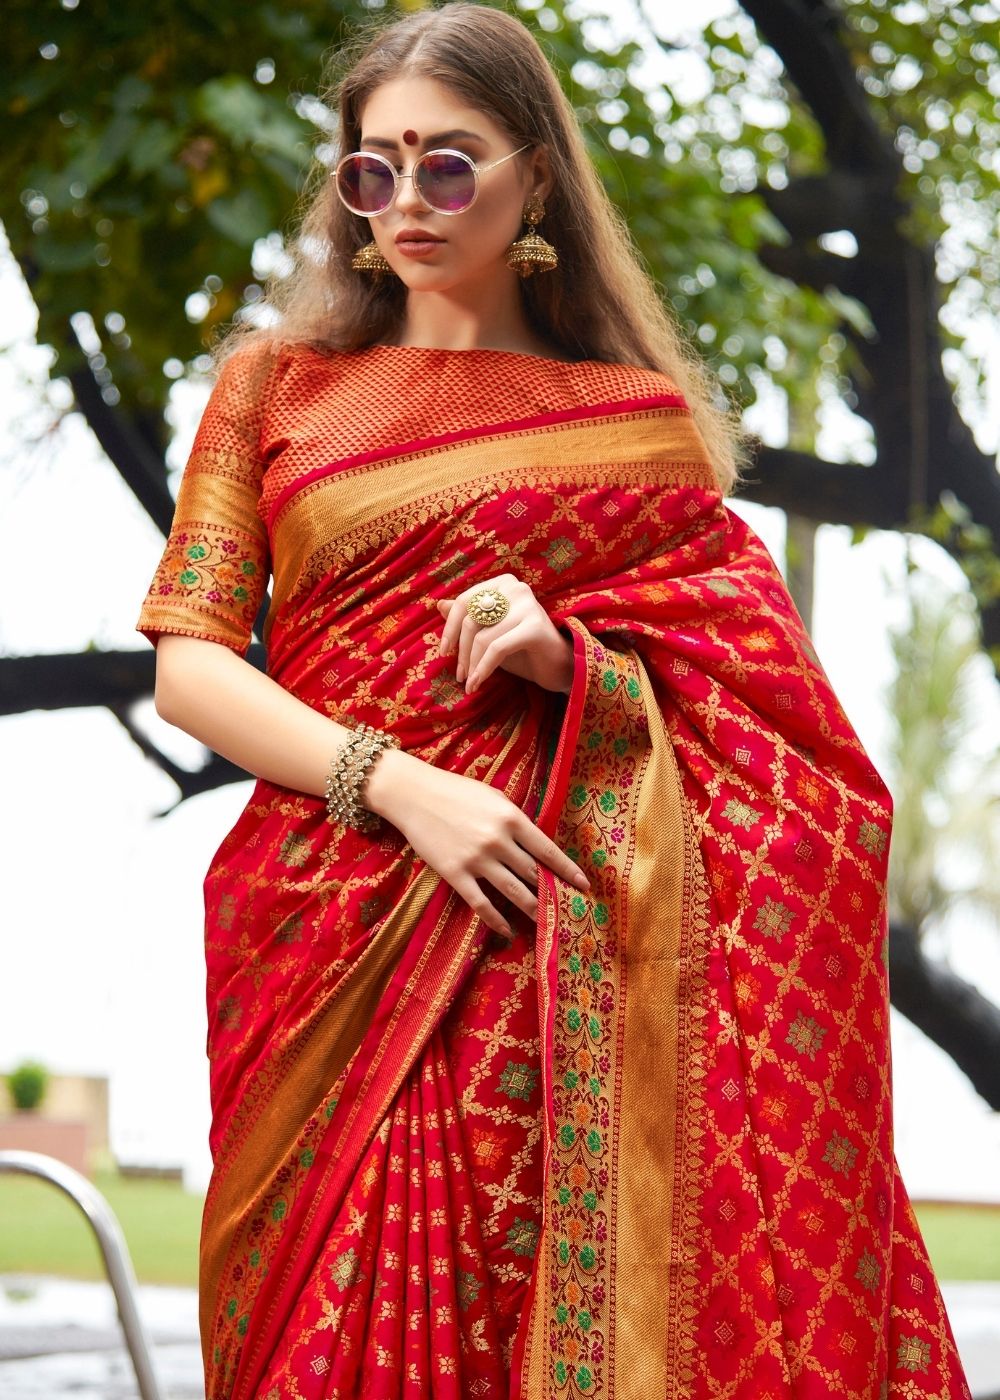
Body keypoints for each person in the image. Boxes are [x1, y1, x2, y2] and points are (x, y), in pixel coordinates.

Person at [135, 4, 972, 1398]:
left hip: (558, 963)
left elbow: (795, 759)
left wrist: (574, 660)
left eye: (448, 164)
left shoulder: (633, 423)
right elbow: (191, 667)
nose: (405, 200)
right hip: (326, 941)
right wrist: (397, 784)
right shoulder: (276, 389)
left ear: (533, 175)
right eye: (372, 167)